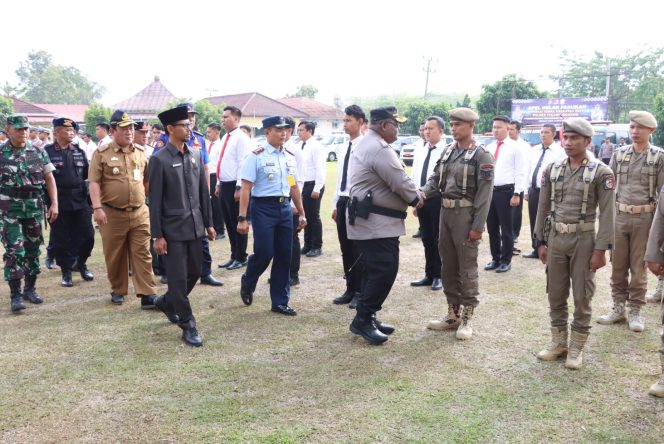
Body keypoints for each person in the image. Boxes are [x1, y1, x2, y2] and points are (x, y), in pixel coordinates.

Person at [534, 118, 615, 370]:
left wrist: (601, 250)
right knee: (555, 293)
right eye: (565, 137)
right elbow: (543, 207)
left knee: (582, 296)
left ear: (588, 141)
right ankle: (559, 342)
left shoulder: (602, 172)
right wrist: (541, 240)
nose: (568, 143)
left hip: (585, 239)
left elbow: (608, 213)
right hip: (557, 238)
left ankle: (577, 347)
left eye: (574, 138)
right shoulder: (553, 168)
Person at [347, 106, 424, 345]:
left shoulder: (369, 143)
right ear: (383, 125)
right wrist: (416, 198)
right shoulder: (378, 147)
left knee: (375, 270)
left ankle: (369, 315)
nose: (398, 128)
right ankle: (363, 318)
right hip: (376, 223)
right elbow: (399, 181)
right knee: (384, 269)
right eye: (395, 124)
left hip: (374, 221)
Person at [423, 108, 494, 339]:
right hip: (446, 213)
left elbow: (485, 195)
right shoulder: (447, 151)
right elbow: (435, 180)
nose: (454, 129)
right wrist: (421, 194)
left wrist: (477, 227)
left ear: (471, 125)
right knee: (448, 266)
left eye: (458, 125)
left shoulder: (482, 155)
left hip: (466, 215)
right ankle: (452, 313)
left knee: (467, 267)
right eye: (452, 124)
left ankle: (467, 318)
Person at [150, 105, 215, 347]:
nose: (189, 128)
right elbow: (154, 201)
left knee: (195, 272)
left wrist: (208, 223)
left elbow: (203, 192)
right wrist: (157, 235)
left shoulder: (196, 154)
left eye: (189, 124)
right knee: (177, 279)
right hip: (172, 229)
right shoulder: (159, 159)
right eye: (184, 125)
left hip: (195, 226)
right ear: (170, 129)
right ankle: (188, 324)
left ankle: (167, 302)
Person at [597, 111, 663, 332]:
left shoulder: (659, 157)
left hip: (646, 219)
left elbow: (662, 194)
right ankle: (618, 308)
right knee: (617, 265)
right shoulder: (619, 154)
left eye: (640, 128)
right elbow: (609, 189)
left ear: (650, 131)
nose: (635, 132)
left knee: (639, 267)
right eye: (632, 127)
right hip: (620, 217)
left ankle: (635, 310)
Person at [88, 109, 157, 308]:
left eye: (131, 128)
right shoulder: (101, 153)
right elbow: (94, 183)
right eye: (124, 128)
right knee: (115, 254)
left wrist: (142, 200)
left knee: (143, 253)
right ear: (113, 130)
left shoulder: (141, 152)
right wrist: (97, 208)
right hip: (111, 213)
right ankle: (118, 289)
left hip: (139, 212)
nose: (129, 132)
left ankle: (147, 293)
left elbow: (146, 181)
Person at [237, 116, 306, 316]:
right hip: (263, 208)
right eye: (278, 129)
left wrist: (301, 212)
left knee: (285, 255)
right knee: (265, 252)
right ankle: (248, 280)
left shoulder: (289, 156)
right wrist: (242, 218)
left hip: (284, 209)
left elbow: (293, 186)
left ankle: (280, 301)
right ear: (267, 132)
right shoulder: (255, 156)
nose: (283, 133)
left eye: (285, 129)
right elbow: (246, 188)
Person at [1, 115, 58, 312]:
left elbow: (49, 179)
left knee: (33, 250)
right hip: (9, 210)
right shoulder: (1, 153)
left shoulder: (38, 152)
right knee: (15, 251)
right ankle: (15, 294)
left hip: (33, 208)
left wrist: (54, 204)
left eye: (25, 129)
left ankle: (30, 289)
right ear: (8, 129)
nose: (23, 132)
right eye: (18, 129)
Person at [43, 117, 95, 287]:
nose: (71, 132)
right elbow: (44, 181)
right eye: (66, 130)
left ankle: (80, 263)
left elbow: (87, 178)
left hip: (80, 200)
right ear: (56, 132)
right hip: (59, 201)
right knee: (62, 239)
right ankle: (66, 272)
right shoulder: (47, 152)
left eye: (73, 130)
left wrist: (91, 201)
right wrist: (50, 203)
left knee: (88, 236)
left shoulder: (78, 151)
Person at [331, 105, 366, 307]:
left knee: (358, 248)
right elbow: (339, 178)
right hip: (343, 200)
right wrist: (336, 204)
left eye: (348, 120)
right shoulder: (345, 146)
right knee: (345, 247)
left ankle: (361, 292)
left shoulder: (365, 146)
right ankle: (350, 288)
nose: (345, 124)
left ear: (360, 122)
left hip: (357, 201)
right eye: (344, 120)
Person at [484, 115, 525, 273]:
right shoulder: (490, 147)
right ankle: (495, 258)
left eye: (499, 127)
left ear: (508, 128)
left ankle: (506, 260)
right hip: (490, 192)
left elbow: (520, 172)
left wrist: (517, 193)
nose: (495, 130)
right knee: (492, 228)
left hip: (507, 192)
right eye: (494, 127)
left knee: (506, 229)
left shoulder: (515, 147)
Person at [410, 116, 445, 291]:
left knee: (438, 238)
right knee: (426, 238)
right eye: (425, 129)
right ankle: (429, 273)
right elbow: (416, 175)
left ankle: (439, 275)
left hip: (438, 199)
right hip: (421, 199)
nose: (427, 131)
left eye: (431, 129)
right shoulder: (421, 149)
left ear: (441, 131)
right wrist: (415, 199)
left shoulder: (447, 150)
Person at [215, 106, 252, 270]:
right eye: (222, 117)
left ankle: (242, 256)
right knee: (229, 223)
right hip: (224, 184)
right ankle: (234, 254)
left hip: (234, 186)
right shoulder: (226, 137)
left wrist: (239, 186)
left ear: (236, 119)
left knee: (238, 221)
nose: (223, 120)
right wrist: (217, 183)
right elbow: (222, 161)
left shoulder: (241, 138)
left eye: (226, 117)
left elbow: (243, 163)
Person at [523, 124, 564, 258]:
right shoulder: (534, 150)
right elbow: (528, 169)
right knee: (534, 219)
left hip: (549, 191)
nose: (543, 135)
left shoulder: (559, 152)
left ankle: (549, 247)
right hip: (534, 190)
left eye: (546, 132)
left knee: (548, 220)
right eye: (541, 132)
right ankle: (536, 248)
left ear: (554, 134)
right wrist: (526, 190)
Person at [298, 121, 326, 257]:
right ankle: (307, 244)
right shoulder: (301, 145)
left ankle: (316, 246)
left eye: (301, 130)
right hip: (303, 185)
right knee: (305, 216)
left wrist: (317, 188)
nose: (299, 133)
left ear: (309, 131)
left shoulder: (315, 146)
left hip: (313, 184)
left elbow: (320, 168)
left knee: (314, 217)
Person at [283, 116, 305, 287]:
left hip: (290, 200)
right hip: (277, 201)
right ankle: (281, 272)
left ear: (289, 130)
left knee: (292, 238)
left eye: (282, 128)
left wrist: (294, 205)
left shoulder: (294, 151)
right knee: (280, 239)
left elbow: (297, 180)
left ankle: (292, 273)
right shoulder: (275, 149)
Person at [508, 120, 531, 250]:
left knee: (516, 212)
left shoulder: (524, 146)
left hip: (519, 184)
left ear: (518, 131)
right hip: (505, 183)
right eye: (508, 129)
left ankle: (515, 234)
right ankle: (506, 233)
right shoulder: (505, 144)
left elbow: (526, 167)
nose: (509, 131)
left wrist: (524, 187)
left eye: (512, 129)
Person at [206, 123, 226, 239]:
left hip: (215, 176)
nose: (207, 134)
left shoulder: (220, 146)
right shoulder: (208, 144)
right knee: (209, 204)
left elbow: (221, 164)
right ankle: (212, 228)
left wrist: (218, 180)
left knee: (216, 204)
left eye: (209, 132)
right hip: (207, 176)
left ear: (217, 132)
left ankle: (220, 230)